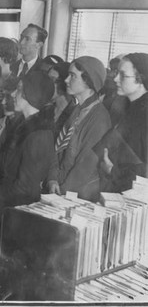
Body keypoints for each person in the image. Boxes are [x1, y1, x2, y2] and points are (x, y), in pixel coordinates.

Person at [0, 71, 56, 240]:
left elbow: (25, 189)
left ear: (30, 95)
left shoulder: (39, 134)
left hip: (19, 217)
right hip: (6, 210)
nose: (13, 94)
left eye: (18, 89)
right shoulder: (22, 125)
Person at [47, 56, 111, 202]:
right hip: (59, 189)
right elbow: (57, 151)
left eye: (73, 76)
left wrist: (61, 192)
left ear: (88, 81)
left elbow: (86, 166)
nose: (66, 80)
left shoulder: (100, 118)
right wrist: (51, 179)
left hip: (79, 196)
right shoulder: (76, 110)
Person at [97, 53, 148, 192]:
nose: (115, 79)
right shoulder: (128, 107)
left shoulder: (144, 115)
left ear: (141, 79)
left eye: (123, 75)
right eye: (116, 73)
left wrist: (112, 170)